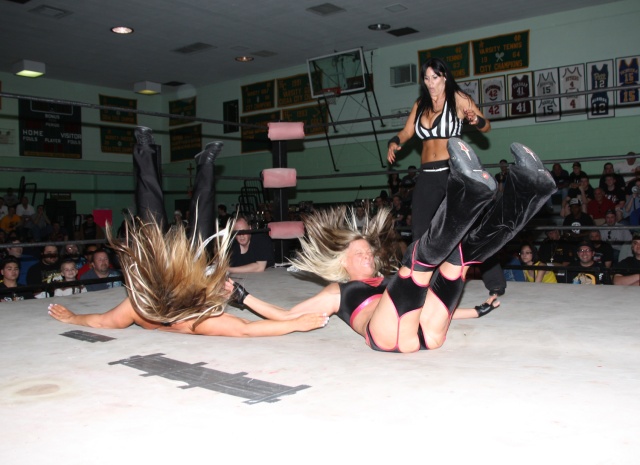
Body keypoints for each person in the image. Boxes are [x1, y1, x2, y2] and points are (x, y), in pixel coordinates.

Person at [238, 139, 555, 352]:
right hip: (387, 335)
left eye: (368, 250)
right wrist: (244, 297)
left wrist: (477, 311)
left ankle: (529, 190)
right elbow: (286, 314)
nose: (368, 255)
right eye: (359, 253)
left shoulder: (389, 281)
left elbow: (427, 306)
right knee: (416, 262)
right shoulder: (338, 292)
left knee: (460, 259)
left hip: (427, 332)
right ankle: (466, 191)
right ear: (342, 262)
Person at [49, 126, 328, 337]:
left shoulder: (142, 306)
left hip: (160, 277)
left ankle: (145, 149)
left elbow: (101, 321)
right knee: (202, 228)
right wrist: (293, 324)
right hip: (190, 282)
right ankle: (206, 163)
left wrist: (73, 318)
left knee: (150, 218)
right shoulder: (192, 320)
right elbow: (245, 328)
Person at [386, 57, 498, 311]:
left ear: (444, 77)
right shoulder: (421, 104)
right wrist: (394, 141)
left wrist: (475, 120)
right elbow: (407, 132)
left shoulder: (458, 98)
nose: (430, 83)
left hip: (451, 172)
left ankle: (495, 281)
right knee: (420, 231)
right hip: (427, 174)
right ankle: (419, 285)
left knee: (467, 227)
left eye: (434, 78)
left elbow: (486, 126)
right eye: (426, 78)